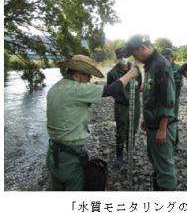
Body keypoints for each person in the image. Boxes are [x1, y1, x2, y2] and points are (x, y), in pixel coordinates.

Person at [46, 54, 139, 191]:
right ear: (77, 74)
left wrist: (90, 92)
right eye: (88, 75)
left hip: (53, 153)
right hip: (71, 156)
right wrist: (130, 74)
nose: (90, 79)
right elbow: (112, 89)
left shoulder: (55, 88)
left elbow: (71, 108)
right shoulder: (76, 89)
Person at [125, 34, 177, 191]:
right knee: (156, 161)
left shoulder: (160, 64)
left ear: (142, 48)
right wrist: (146, 119)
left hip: (162, 128)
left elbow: (167, 100)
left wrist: (162, 128)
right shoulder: (150, 65)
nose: (136, 58)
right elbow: (152, 96)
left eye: (135, 54)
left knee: (165, 168)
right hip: (152, 125)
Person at [107, 47, 142, 165]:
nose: (123, 58)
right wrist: (122, 99)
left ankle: (130, 153)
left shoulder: (135, 69)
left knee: (133, 129)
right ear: (117, 57)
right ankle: (119, 156)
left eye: (125, 55)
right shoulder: (112, 73)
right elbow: (111, 90)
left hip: (135, 104)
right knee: (121, 130)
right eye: (120, 56)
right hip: (121, 106)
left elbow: (139, 84)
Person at [161, 48, 183, 148]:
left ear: (172, 57)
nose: (166, 59)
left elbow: (178, 86)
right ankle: (164, 142)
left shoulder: (178, 69)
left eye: (168, 57)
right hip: (161, 100)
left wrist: (172, 100)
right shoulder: (160, 67)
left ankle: (174, 144)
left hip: (173, 100)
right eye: (164, 57)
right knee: (162, 120)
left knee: (173, 120)